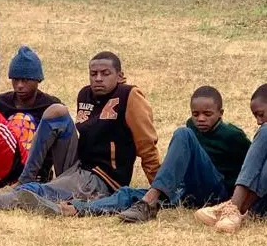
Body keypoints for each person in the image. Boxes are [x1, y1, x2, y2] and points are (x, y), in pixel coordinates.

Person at [0, 51, 160, 212]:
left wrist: (157, 190)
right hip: (77, 165)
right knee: (57, 112)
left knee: (33, 193)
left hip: (101, 178)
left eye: (105, 74)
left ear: (120, 76)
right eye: (93, 74)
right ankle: (25, 180)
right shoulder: (85, 94)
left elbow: (146, 145)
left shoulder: (129, 96)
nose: (98, 79)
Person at [56, 86, 251, 222]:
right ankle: (78, 209)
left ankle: (150, 201)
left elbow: (251, 171)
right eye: (195, 114)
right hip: (186, 191)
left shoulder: (232, 135)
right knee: (128, 193)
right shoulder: (192, 126)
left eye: (207, 115)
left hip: (215, 192)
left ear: (221, 113)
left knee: (183, 133)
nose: (200, 119)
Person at [0, 45, 61, 192]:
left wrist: (46, 175)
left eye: (25, 80)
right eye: (15, 80)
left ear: (38, 79)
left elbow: (58, 146)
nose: (19, 85)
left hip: (30, 165)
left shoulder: (51, 106)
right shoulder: (2, 102)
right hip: (2, 166)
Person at [195, 84, 267, 233]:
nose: (259, 121)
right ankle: (236, 208)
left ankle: (234, 207)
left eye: (261, 114)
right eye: (256, 116)